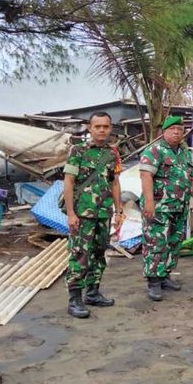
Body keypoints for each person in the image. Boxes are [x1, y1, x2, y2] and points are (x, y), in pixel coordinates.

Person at [63, 111, 123, 319]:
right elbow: (69, 182)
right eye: (97, 126)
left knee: (99, 253)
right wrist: (71, 213)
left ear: (110, 128)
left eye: (105, 126)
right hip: (83, 214)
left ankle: (93, 292)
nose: (101, 130)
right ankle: (75, 299)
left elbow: (114, 182)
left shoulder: (113, 153)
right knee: (80, 255)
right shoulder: (78, 151)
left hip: (103, 213)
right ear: (90, 129)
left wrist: (119, 209)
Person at [139, 115, 193, 301]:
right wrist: (149, 201)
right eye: (172, 129)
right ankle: (153, 282)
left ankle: (165, 274)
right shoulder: (155, 150)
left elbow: (190, 177)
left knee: (173, 242)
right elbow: (146, 176)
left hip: (179, 206)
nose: (176, 132)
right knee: (156, 243)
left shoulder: (184, 153)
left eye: (179, 129)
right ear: (164, 131)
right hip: (159, 206)